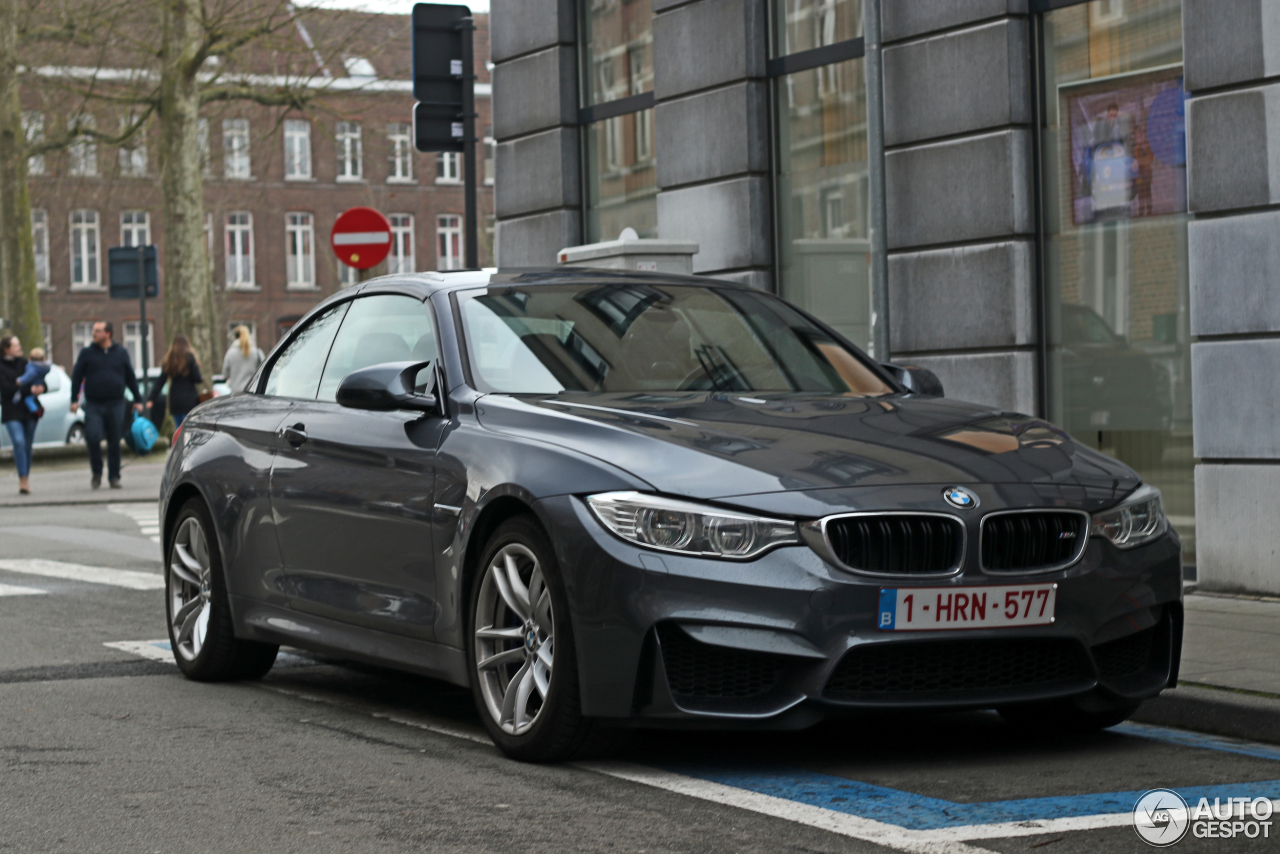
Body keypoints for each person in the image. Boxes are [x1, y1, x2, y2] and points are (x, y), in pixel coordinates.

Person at [70, 321, 143, 489]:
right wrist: (74, 399)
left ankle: (114, 476)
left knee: (114, 441)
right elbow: (77, 376)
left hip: (116, 403)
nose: (94, 334)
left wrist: (138, 400)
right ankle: (97, 472)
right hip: (94, 404)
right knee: (93, 437)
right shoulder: (87, 353)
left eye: (98, 331)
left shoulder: (121, 353)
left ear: (108, 333)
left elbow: (130, 377)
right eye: (94, 331)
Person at [0, 336, 46, 495]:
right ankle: (23, 479)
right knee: (19, 442)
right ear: (6, 349)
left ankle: (26, 477)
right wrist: (26, 388)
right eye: (16, 345)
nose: (19, 348)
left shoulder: (25, 363)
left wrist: (41, 387)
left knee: (27, 445)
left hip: (29, 411)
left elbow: (38, 379)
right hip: (12, 411)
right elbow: (6, 390)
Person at [147, 334, 203, 428]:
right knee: (189, 428)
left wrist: (151, 399)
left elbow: (160, 382)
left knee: (179, 428)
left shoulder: (170, 360)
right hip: (189, 400)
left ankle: (179, 443)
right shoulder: (190, 358)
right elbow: (197, 378)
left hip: (175, 400)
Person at [222, 325, 264, 392]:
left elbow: (225, 374)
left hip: (236, 392)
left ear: (235, 337)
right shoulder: (257, 352)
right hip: (253, 390)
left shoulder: (230, 353)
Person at [14, 347, 50, 414]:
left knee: (28, 399)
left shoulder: (32, 367)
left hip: (33, 385)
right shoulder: (45, 367)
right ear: (43, 359)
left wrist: (20, 380)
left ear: (29, 358)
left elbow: (28, 376)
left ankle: (35, 410)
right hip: (38, 383)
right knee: (32, 398)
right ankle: (40, 407)